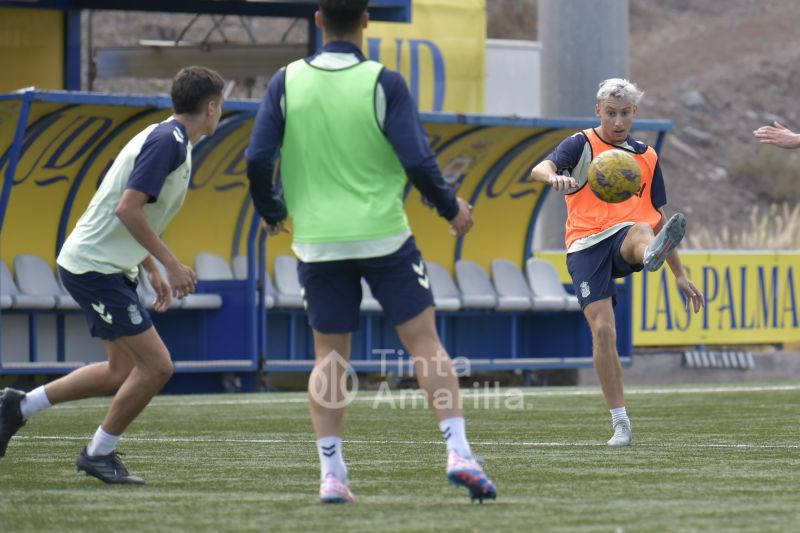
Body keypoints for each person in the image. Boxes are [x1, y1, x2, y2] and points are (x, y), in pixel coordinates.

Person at [245, 0, 496, 504]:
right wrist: (451, 210)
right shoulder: (385, 82)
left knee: (329, 358)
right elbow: (418, 160)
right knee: (425, 343)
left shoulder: (286, 81)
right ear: (366, 20)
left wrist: (272, 210)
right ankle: (459, 452)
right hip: (384, 236)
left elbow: (257, 159)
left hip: (318, 242)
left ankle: (332, 474)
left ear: (318, 20)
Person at [0, 66, 225, 483]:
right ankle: (97, 453)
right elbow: (126, 208)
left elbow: (120, 205)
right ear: (211, 107)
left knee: (120, 371)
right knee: (158, 367)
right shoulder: (168, 142)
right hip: (93, 268)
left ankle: (17, 406)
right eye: (221, 105)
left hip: (107, 266)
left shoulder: (172, 140)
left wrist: (150, 268)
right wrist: (172, 265)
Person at [530, 78, 705, 446]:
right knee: (604, 331)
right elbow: (538, 169)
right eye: (611, 113)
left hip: (627, 235)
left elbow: (661, 218)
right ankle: (620, 422)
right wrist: (554, 178)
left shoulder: (646, 156)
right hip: (584, 245)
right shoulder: (580, 144)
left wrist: (679, 274)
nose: (618, 121)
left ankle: (649, 254)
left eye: (625, 113)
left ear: (634, 113)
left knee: (642, 226)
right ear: (598, 111)